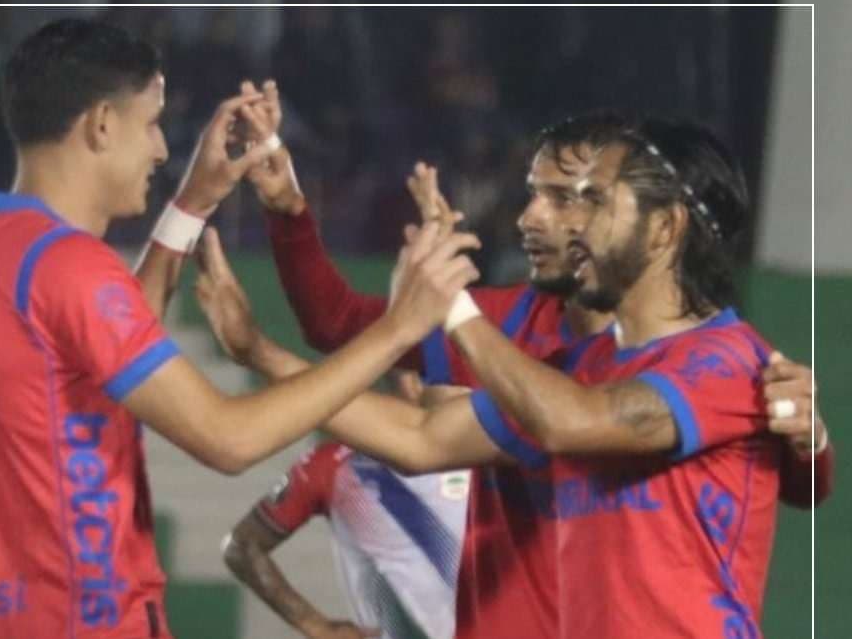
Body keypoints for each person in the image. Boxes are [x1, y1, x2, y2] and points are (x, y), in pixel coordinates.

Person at [0, 18, 480, 639]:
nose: (161, 149)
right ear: (102, 124)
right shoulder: (68, 267)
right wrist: (399, 328)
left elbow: (103, 343)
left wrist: (193, 201)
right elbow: (226, 439)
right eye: (152, 123)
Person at [196, 112, 830, 639]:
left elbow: (571, 422)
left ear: (665, 228)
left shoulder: (725, 361)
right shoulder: (572, 366)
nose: (562, 222)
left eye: (590, 200)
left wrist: (455, 308)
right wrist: (258, 352)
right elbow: (421, 437)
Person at [222, 371, 471, 639]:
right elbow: (241, 546)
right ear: (411, 383)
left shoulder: (491, 461)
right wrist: (315, 625)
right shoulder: (337, 467)